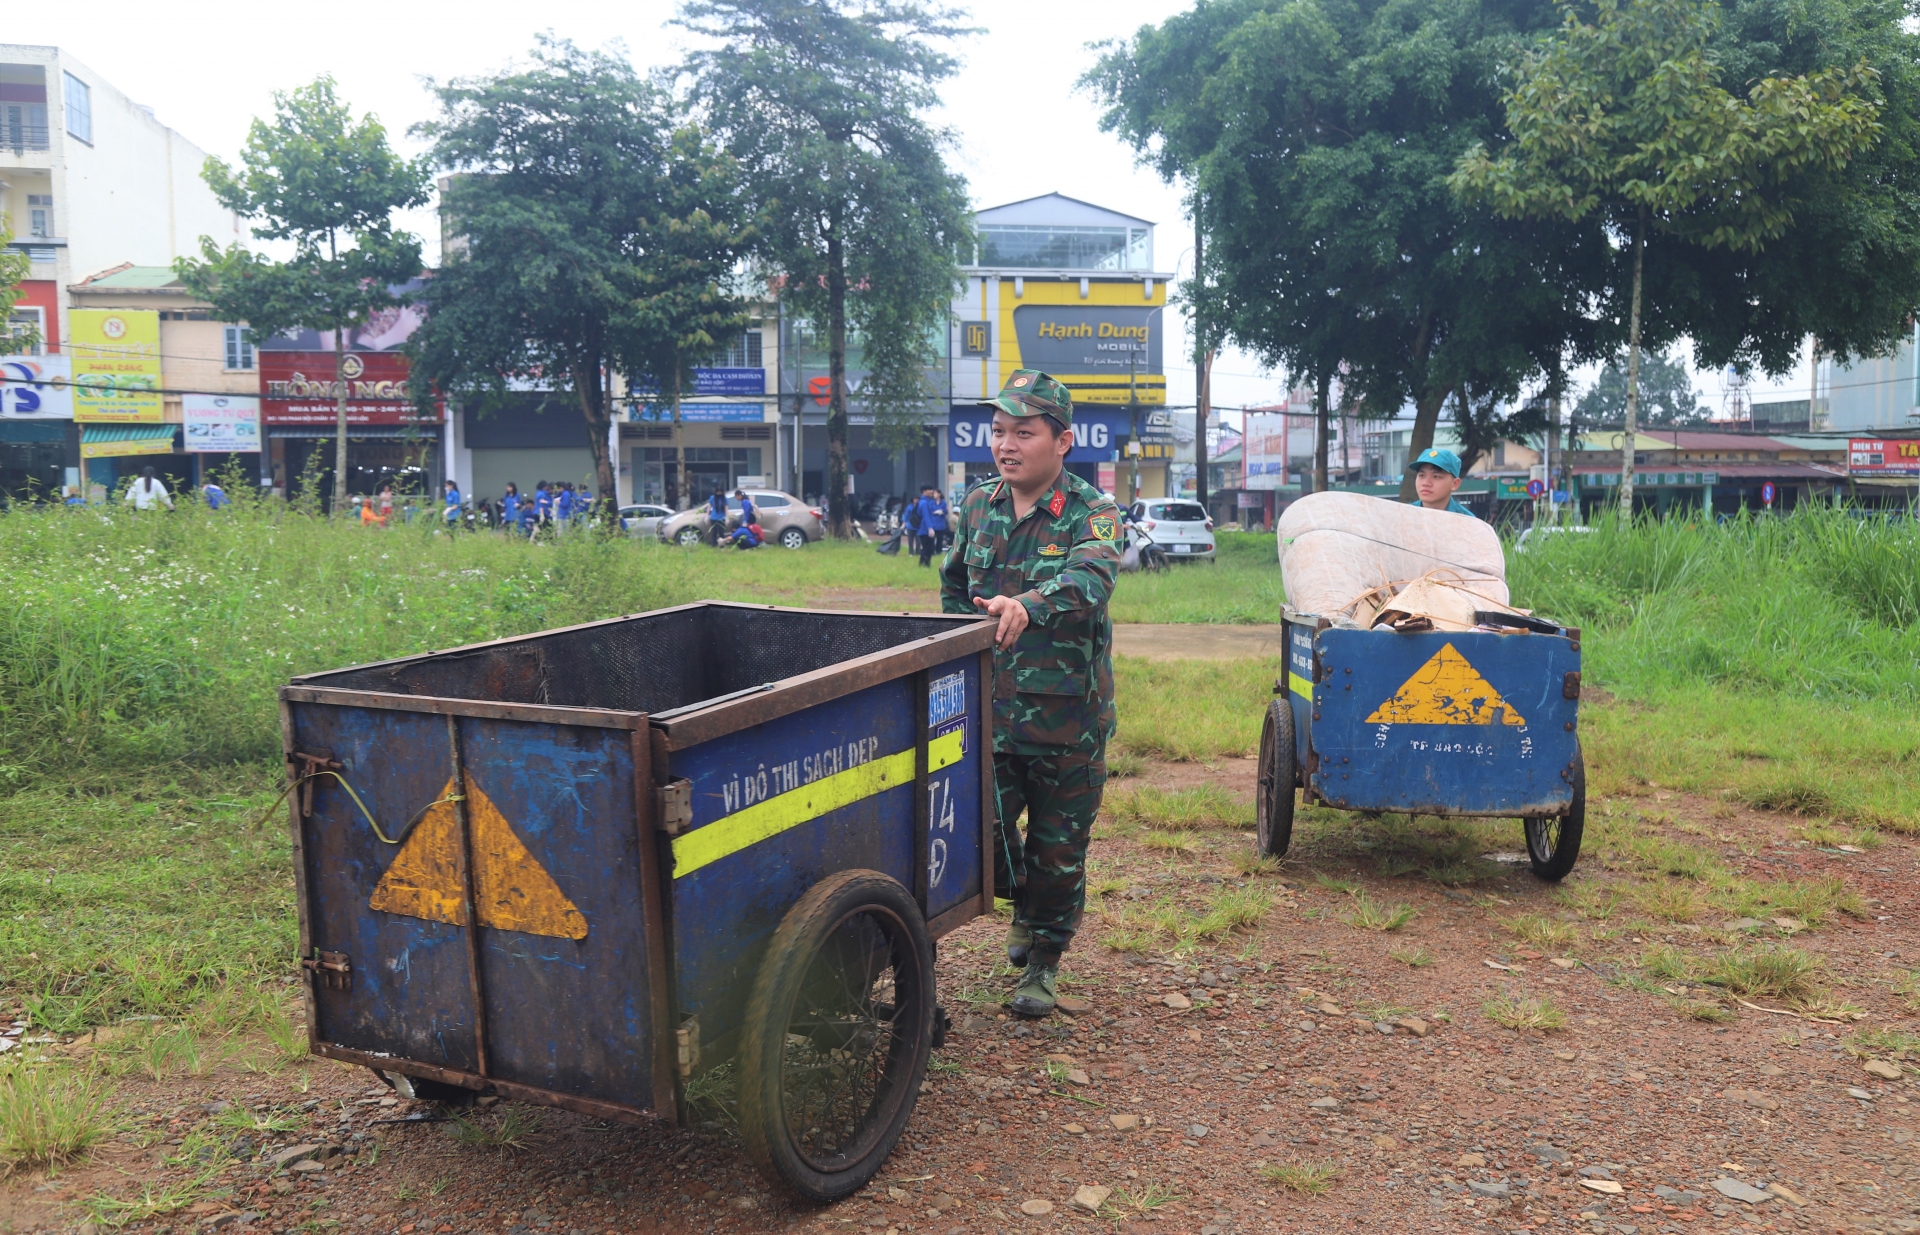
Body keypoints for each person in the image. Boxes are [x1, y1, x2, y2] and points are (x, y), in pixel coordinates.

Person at [937, 369, 1121, 1018]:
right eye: (998, 431)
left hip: (1069, 721)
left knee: (1059, 853)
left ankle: (1043, 962)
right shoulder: (978, 505)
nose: (1005, 444)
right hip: (993, 714)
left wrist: (1029, 605)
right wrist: (963, 639)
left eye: (1024, 431)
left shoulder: (1092, 512)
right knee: (976, 832)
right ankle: (1021, 900)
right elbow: (955, 585)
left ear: (1063, 440)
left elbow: (1091, 578)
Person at [1408, 447, 1476, 516]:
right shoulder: (1404, 515)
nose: (1426, 483)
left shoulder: (1467, 521)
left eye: (1436, 477)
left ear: (1455, 484)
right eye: (1422, 475)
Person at [914, 483, 943, 567]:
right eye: (929, 490)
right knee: (928, 549)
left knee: (928, 548)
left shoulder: (924, 502)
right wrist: (930, 529)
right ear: (924, 491)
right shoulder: (924, 503)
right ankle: (924, 565)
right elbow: (926, 517)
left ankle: (924, 564)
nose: (931, 491)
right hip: (925, 530)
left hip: (923, 529)